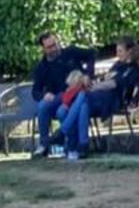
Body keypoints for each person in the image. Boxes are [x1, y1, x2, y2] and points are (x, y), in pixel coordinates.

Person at [30, 30, 96, 158]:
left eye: (55, 44)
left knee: (62, 110)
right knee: (43, 105)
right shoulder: (42, 67)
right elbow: (35, 91)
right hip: (58, 97)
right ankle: (44, 144)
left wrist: (88, 74)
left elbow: (92, 54)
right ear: (43, 49)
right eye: (49, 47)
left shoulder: (70, 52)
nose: (54, 48)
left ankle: (67, 143)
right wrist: (44, 95)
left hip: (77, 92)